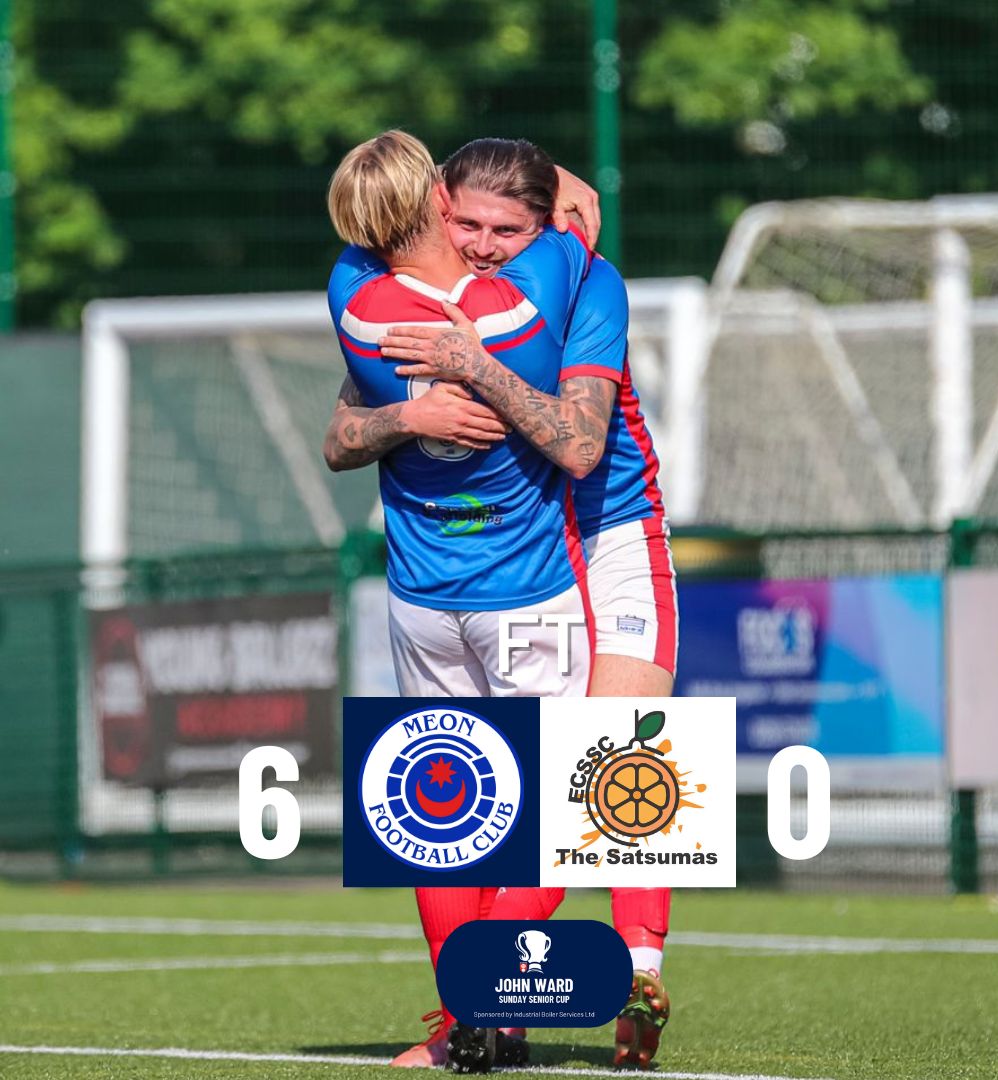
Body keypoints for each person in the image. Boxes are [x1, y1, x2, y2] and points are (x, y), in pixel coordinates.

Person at [368, 138, 675, 1071]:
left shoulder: (586, 285)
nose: (489, 244)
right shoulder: (405, 292)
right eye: (468, 223)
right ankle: (488, 1016)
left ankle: (634, 983)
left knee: (619, 764)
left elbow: (582, 449)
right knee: (466, 801)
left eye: (513, 228)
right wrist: (397, 416)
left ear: (547, 229)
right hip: (520, 554)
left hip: (611, 535)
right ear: (436, 211)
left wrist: (473, 362)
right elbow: (348, 417)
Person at [325, 131, 594, 698]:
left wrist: (407, 416)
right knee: (559, 780)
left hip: (421, 600)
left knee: (454, 779)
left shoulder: (350, 301)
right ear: (441, 198)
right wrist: (554, 177)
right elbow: (568, 227)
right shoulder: (523, 302)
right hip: (527, 591)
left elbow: (368, 224)